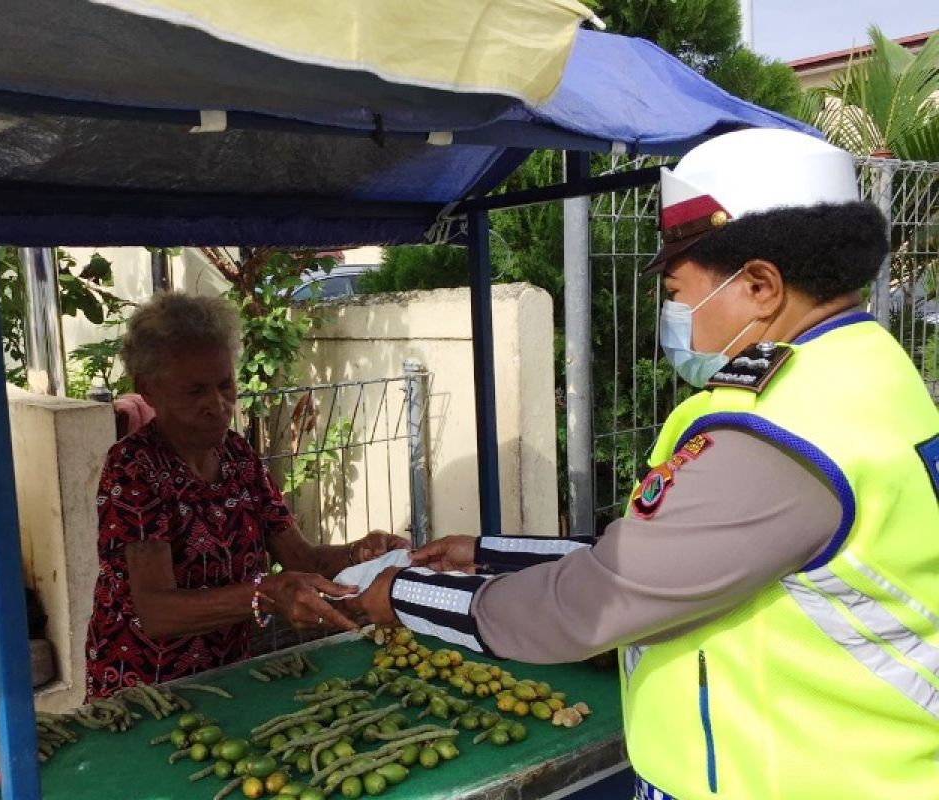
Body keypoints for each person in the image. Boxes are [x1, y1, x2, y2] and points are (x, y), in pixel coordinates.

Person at [346, 129, 939, 799]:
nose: (676, 315)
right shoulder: (867, 370)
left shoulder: (779, 430)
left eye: (680, 293)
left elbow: (593, 603)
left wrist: (400, 594)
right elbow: (676, 552)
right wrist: (486, 550)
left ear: (760, 285)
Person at [85, 292, 407, 696]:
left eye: (225, 385)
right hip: (144, 688)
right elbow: (157, 610)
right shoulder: (134, 468)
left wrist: (359, 553)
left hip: (225, 678)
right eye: (194, 391)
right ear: (147, 388)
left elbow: (301, 557)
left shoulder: (237, 455)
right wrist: (267, 593)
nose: (217, 405)